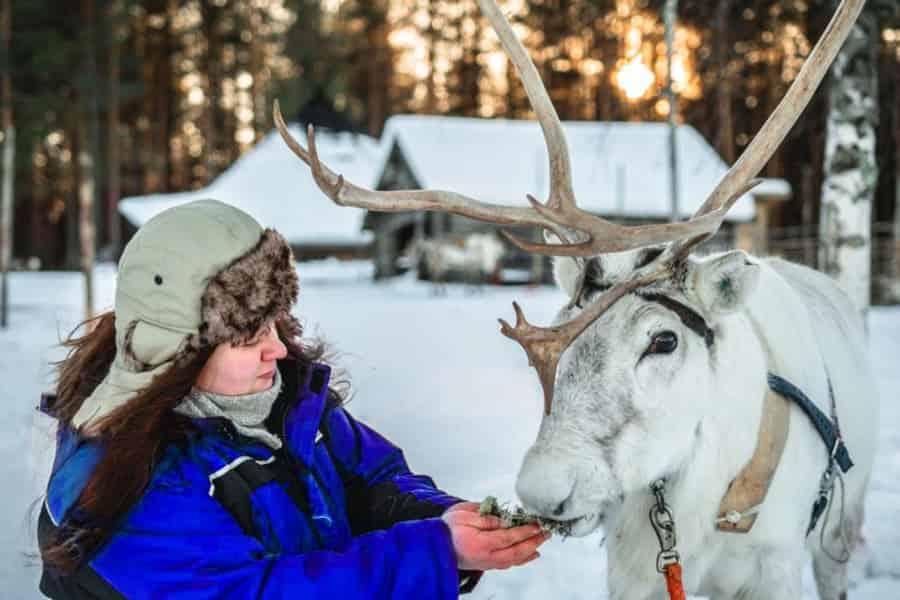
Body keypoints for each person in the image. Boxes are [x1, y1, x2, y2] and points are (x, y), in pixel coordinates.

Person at [37, 199, 549, 599]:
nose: (278, 349)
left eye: (275, 324)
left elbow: (373, 477)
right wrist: (434, 552)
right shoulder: (125, 479)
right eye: (249, 335)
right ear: (177, 351)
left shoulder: (284, 401)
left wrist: (449, 522)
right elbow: (254, 593)